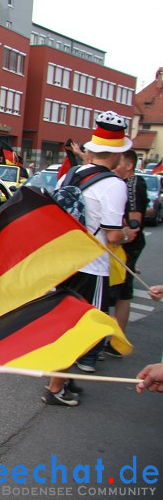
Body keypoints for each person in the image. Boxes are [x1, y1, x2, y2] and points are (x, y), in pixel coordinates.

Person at [45, 111, 136, 407]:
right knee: (82, 329)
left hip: (64, 262)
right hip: (91, 267)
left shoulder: (73, 173)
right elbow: (111, 236)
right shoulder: (114, 185)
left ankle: (63, 378)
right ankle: (56, 387)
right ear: (118, 154)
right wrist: (125, 234)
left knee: (65, 322)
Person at [107, 149, 147, 355]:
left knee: (121, 293)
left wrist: (119, 228)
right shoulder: (128, 183)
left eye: (118, 163)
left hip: (127, 247)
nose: (115, 167)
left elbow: (134, 223)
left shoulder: (132, 185)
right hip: (125, 245)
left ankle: (116, 342)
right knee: (120, 293)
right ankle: (115, 340)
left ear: (129, 166)